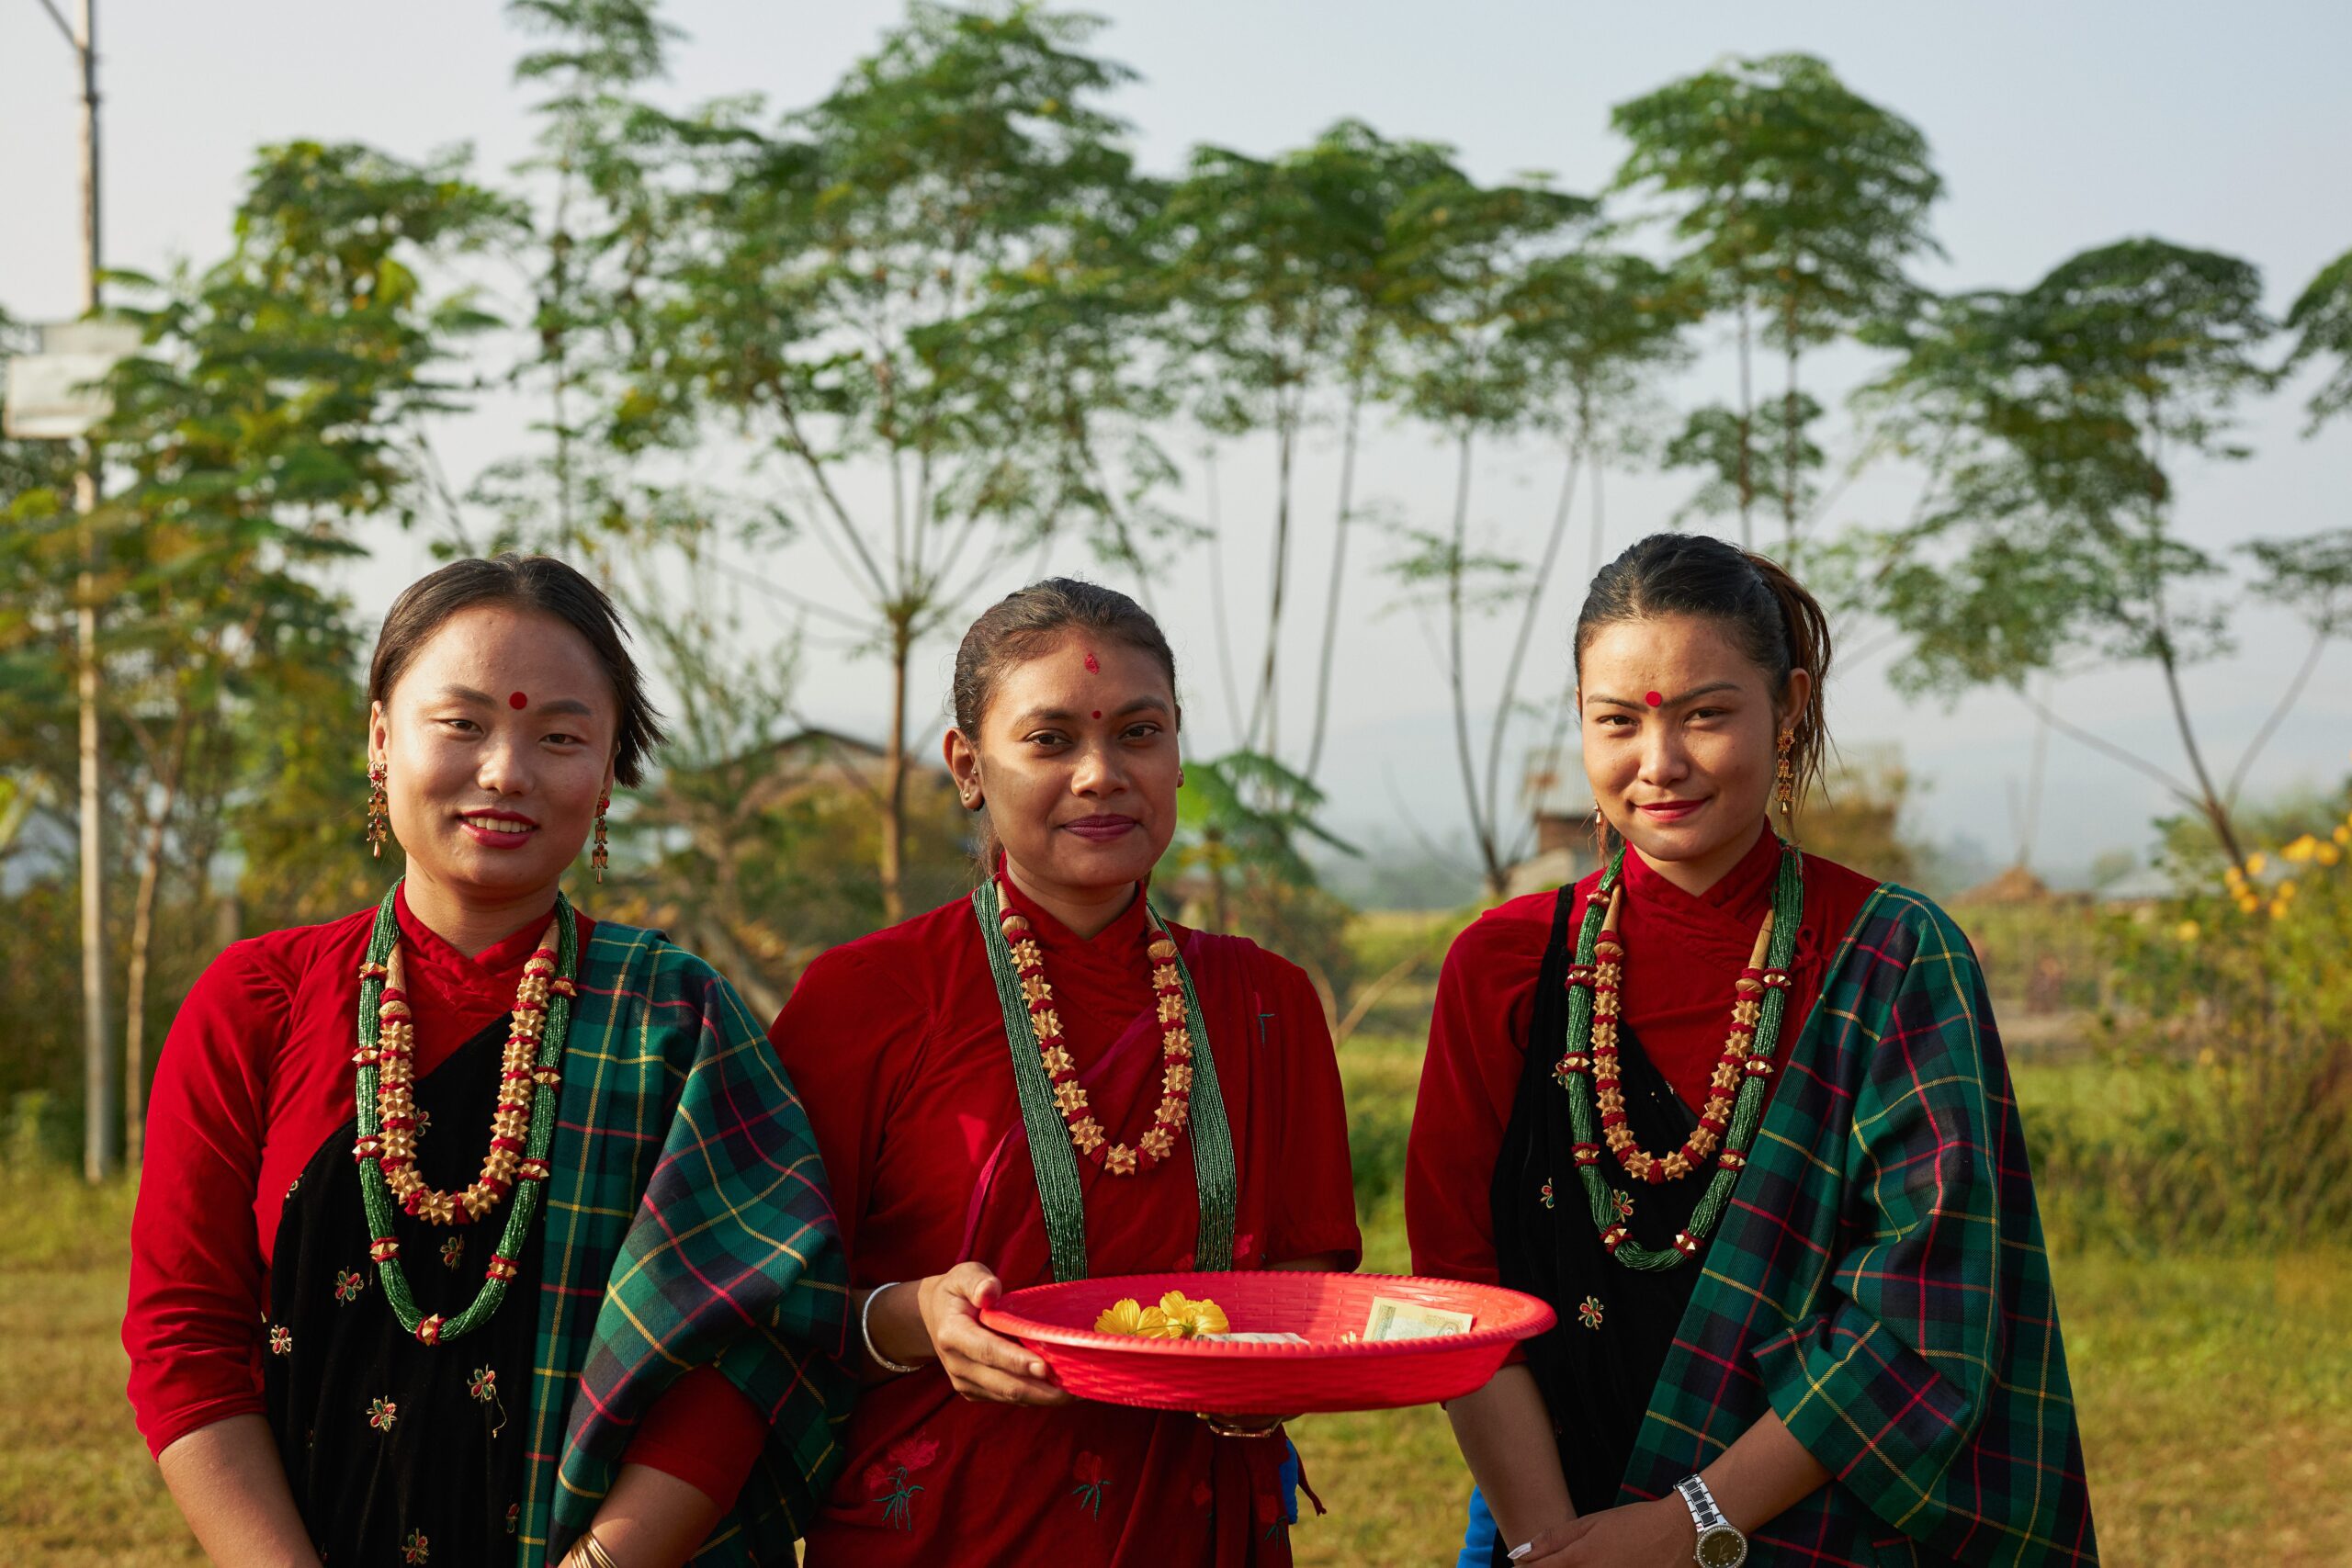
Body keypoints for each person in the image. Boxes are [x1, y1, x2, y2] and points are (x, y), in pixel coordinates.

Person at [125, 555, 850, 1568]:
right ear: (380, 739)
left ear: (606, 774)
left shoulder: (676, 1023)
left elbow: (741, 1343)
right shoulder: (258, 1003)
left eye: (559, 736)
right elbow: (184, 1342)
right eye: (460, 724)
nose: (506, 771)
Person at [1407, 534, 2098, 1567]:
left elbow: (1917, 1308)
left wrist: (1683, 1526)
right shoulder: (1500, 964)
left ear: (1791, 710)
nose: (1660, 763)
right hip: (1547, 1509)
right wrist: (1554, 1542)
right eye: (1617, 722)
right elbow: (1460, 1291)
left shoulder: (1894, 954)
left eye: (1704, 714)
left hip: (1817, 1522)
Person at [769, 578, 1362, 1565]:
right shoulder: (864, 997)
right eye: (1049, 741)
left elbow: (1306, 1281)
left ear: (1176, 753)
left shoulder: (1267, 1003)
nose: (1100, 775)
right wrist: (916, 1319)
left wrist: (1264, 1386)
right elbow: (774, 1302)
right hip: (943, 1525)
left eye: (1138, 734)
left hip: (1202, 1521)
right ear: (967, 766)